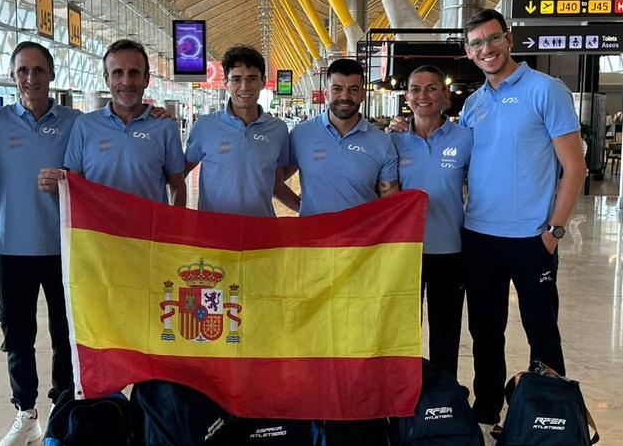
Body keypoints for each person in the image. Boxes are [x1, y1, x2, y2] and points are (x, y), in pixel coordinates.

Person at [456, 8, 585, 446]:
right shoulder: (473, 105)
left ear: (508, 40)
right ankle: (488, 411)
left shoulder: (545, 91)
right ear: (469, 53)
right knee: (485, 332)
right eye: (476, 44)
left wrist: (554, 230)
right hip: (480, 237)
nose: (486, 49)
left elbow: (575, 167)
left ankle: (551, 416)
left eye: (492, 39)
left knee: (541, 331)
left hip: (532, 240)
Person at [0, 42, 80, 446]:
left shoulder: (74, 123)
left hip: (65, 247)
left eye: (38, 70)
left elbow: (94, 165)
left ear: (51, 75)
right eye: (22, 71)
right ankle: (25, 412)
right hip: (11, 249)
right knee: (18, 336)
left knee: (64, 333)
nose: (30, 79)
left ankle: (63, 406)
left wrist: (67, 178)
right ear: (13, 76)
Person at [389, 65, 473, 378]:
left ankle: (443, 396)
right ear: (407, 96)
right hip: (404, 251)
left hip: (449, 250)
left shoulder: (465, 139)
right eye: (416, 89)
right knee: (402, 329)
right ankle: (403, 393)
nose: (423, 95)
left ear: (445, 95)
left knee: (446, 331)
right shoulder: (393, 142)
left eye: (432, 88)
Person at [39, 39, 186, 206]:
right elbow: (75, 186)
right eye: (117, 73)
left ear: (146, 79)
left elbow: (177, 185)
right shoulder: (84, 126)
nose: (126, 81)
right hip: (98, 231)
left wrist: (176, 229)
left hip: (148, 232)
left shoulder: (165, 127)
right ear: (106, 79)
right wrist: (57, 183)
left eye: (134, 73)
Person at [183, 44, 298, 216]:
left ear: (263, 82)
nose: (244, 86)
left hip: (261, 232)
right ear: (226, 84)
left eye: (252, 78)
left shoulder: (278, 130)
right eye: (236, 79)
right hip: (215, 234)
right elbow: (178, 175)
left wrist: (309, 210)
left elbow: (277, 185)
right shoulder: (205, 126)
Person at [284, 57, 399, 216]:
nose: (344, 97)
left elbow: (389, 202)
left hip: (361, 238)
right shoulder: (300, 134)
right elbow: (274, 181)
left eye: (353, 89)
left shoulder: (382, 142)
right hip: (313, 236)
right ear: (326, 93)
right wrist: (302, 208)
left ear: (362, 95)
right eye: (337, 89)